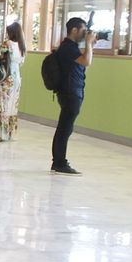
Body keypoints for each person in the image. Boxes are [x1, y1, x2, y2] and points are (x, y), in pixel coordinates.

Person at [51, 17, 94, 174]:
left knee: (65, 128)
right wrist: (88, 44)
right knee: (64, 128)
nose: (85, 34)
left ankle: (59, 161)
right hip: (70, 92)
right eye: (83, 31)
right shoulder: (68, 48)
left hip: (73, 91)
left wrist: (90, 45)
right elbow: (86, 62)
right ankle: (59, 162)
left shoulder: (72, 47)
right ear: (74, 30)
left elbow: (84, 64)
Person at [0, 22, 26, 142]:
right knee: (11, 106)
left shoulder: (7, 44)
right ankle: (9, 133)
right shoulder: (22, 46)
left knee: (1, 104)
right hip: (16, 78)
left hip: (5, 77)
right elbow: (20, 62)